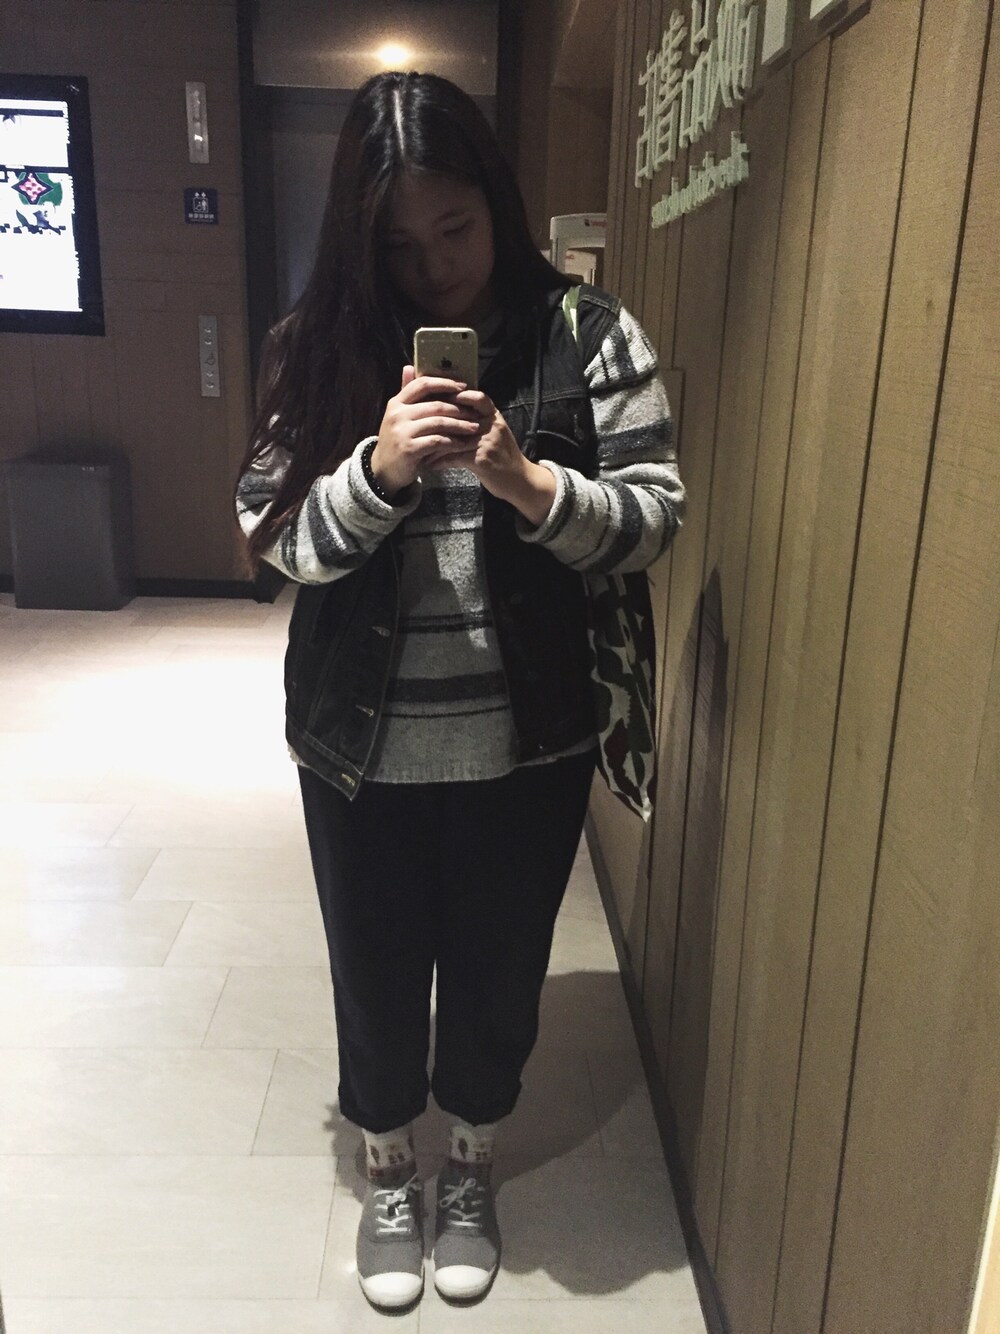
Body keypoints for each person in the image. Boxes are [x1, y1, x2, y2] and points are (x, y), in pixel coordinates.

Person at [234, 70, 684, 1311]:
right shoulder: (315, 344)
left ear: (498, 202)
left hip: (529, 739)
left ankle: (471, 1161)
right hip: (358, 745)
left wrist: (527, 484)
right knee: (373, 970)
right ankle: (390, 1165)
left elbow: (653, 517)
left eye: (457, 228)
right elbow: (273, 533)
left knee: (497, 973)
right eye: (400, 244)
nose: (436, 268)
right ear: (358, 238)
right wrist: (377, 472)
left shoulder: (590, 337)